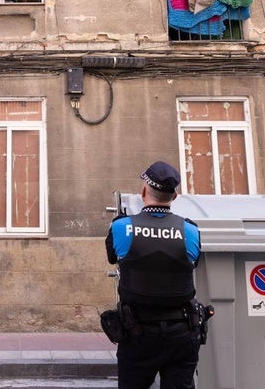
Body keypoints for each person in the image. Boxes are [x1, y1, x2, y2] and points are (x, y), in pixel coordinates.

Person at [105, 161, 202, 389]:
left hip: (138, 333)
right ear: (174, 197)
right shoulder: (190, 230)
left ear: (143, 192)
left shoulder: (121, 227)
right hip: (182, 331)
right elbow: (193, 262)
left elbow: (112, 257)